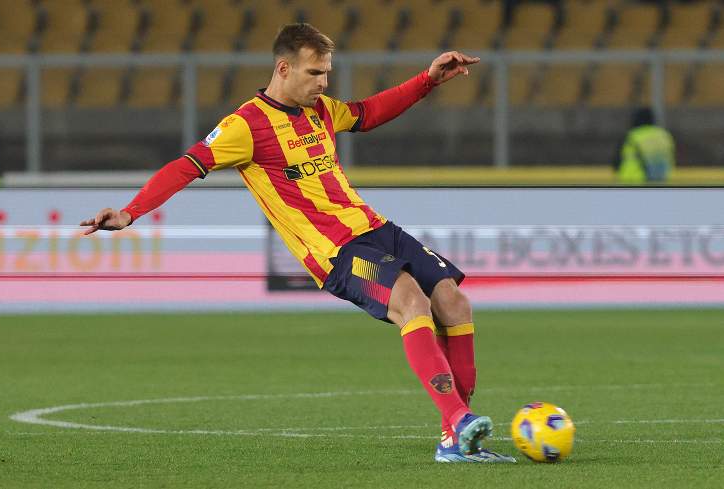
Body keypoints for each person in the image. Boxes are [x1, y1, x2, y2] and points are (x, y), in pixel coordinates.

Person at [80, 23, 515, 464]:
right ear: (283, 68)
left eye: (326, 72)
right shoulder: (245, 125)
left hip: (376, 229)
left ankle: (456, 437)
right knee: (411, 302)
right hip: (336, 252)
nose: (323, 82)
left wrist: (427, 81)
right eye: (314, 73)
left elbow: (367, 112)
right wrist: (131, 211)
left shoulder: (321, 110)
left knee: (454, 303)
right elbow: (186, 166)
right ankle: (459, 421)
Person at [614, 107, 676, 184]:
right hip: (661, 182)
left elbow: (616, 161)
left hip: (633, 182)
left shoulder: (633, 136)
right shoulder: (664, 136)